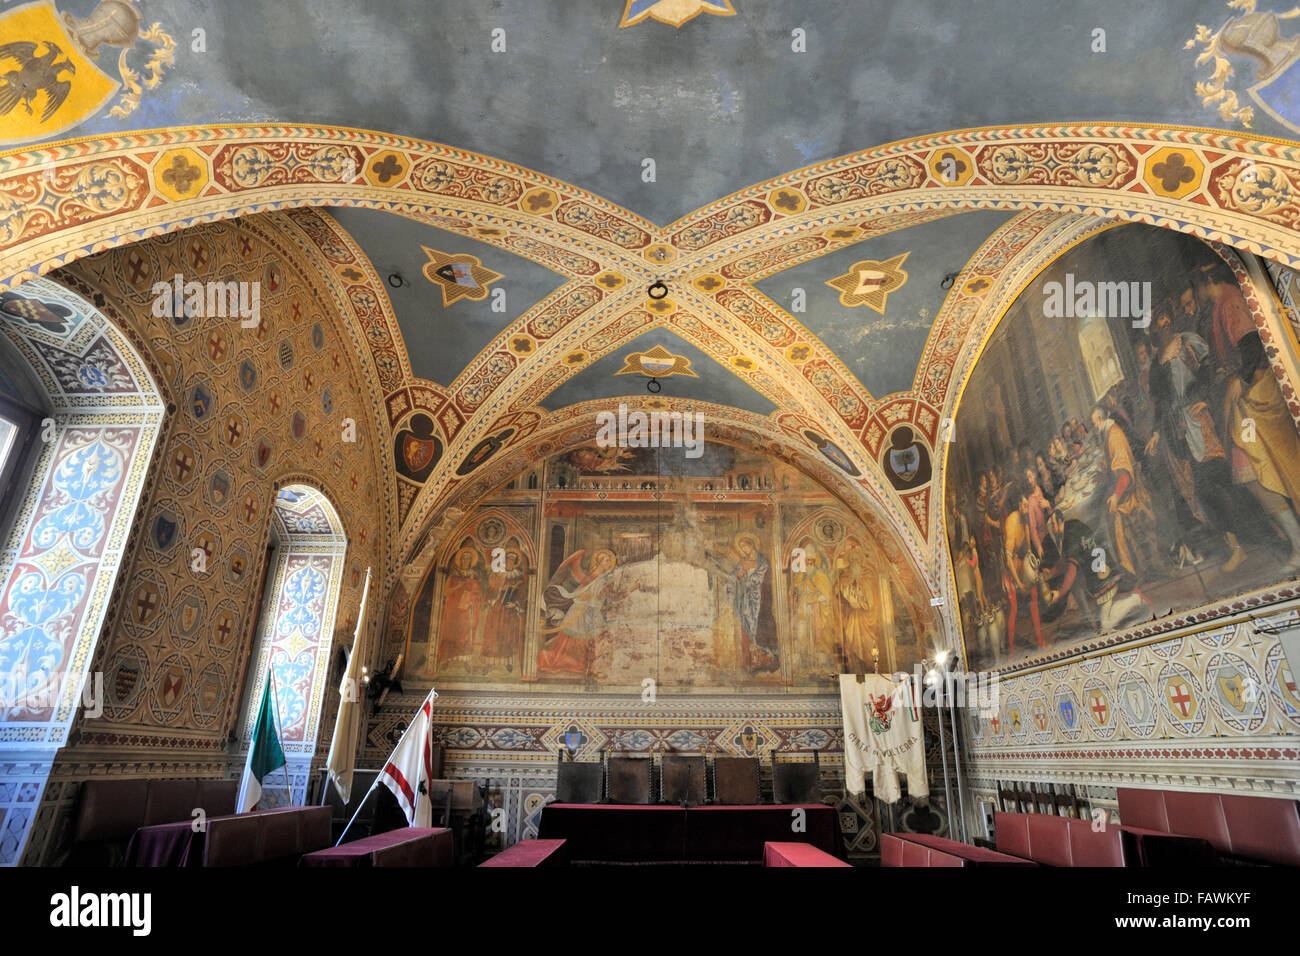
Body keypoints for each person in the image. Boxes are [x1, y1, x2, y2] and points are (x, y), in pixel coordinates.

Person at [1144, 308, 1248, 572]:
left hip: (1202, 421)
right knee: (1204, 489)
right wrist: (1156, 433)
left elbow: (1210, 371)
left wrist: (1203, 398)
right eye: (1159, 323)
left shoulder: (1189, 341)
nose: (1165, 323)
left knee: (1226, 477)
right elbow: (1160, 403)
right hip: (1180, 431)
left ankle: (1256, 533)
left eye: (1165, 319)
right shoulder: (1157, 364)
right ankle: (1236, 546)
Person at [1092, 404, 1161, 579]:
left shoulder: (1113, 436)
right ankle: (1127, 567)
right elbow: (1115, 468)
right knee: (1104, 512)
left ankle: (1130, 571)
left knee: (1111, 516)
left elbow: (1124, 474)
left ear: (1100, 420)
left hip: (1130, 492)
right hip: (1125, 488)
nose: (1093, 428)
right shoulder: (1108, 433)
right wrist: (1105, 474)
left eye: (1094, 423)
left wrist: (1115, 496)